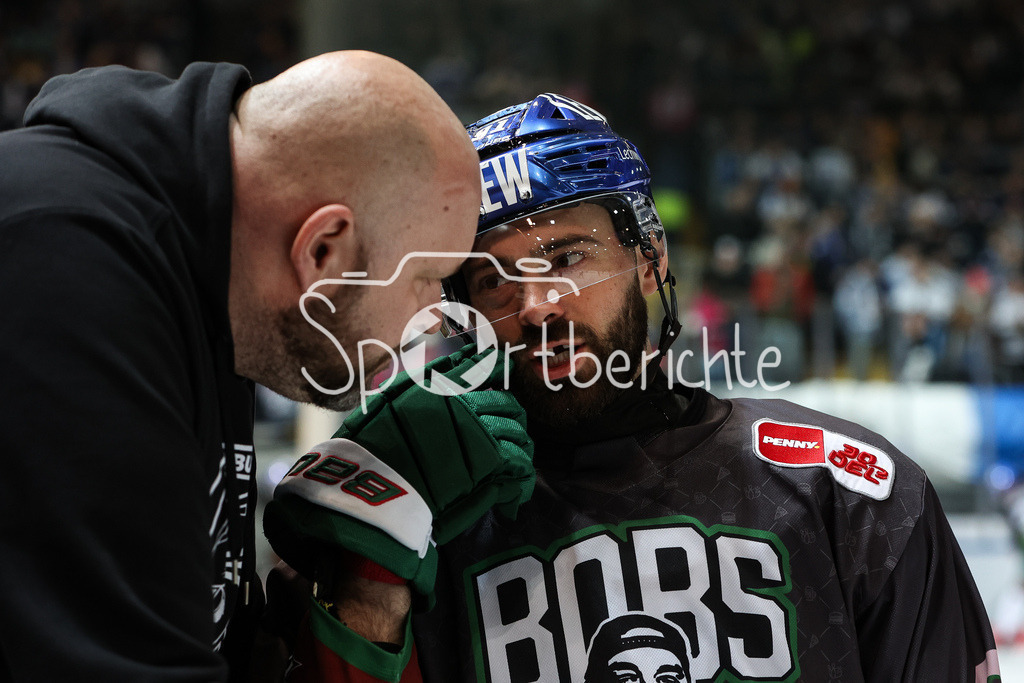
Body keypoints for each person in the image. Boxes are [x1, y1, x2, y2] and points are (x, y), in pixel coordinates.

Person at [265, 94, 1001, 682]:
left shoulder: (854, 494)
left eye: (567, 256)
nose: (537, 306)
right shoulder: (424, 522)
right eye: (492, 278)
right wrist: (364, 593)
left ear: (651, 258)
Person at [0, 50, 481, 681]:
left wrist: (346, 589)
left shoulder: (207, 284)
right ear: (324, 250)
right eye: (428, 279)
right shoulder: (67, 273)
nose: (433, 320)